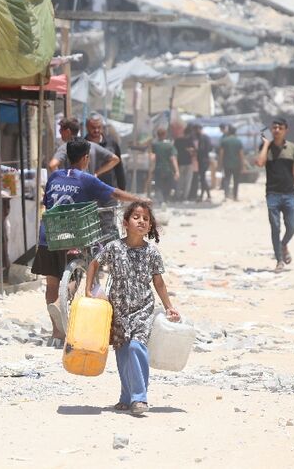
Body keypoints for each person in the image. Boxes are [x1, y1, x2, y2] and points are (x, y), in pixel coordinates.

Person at [32, 139, 150, 348]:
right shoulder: (87, 179)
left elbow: (48, 203)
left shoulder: (54, 177)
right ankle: (61, 303)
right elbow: (114, 193)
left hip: (48, 235)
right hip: (73, 235)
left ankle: (57, 333)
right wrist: (138, 200)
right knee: (81, 271)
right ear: (86, 158)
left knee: (51, 283)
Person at [85, 202, 179, 416]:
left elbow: (159, 283)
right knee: (123, 354)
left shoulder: (152, 253)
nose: (141, 221)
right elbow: (93, 264)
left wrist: (169, 306)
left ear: (150, 226)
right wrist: (88, 291)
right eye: (136, 217)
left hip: (143, 309)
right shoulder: (114, 248)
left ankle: (139, 397)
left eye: (145, 218)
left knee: (137, 348)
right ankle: (126, 396)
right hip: (118, 310)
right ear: (125, 223)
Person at [256, 117, 294, 273]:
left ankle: (283, 244)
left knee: (291, 227)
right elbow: (259, 163)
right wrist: (266, 144)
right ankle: (279, 260)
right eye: (274, 128)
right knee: (275, 227)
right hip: (272, 193)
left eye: (280, 128)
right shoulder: (266, 148)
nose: (276, 130)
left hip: (288, 194)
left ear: (286, 130)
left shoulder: (292, 148)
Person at [49, 117, 120, 179]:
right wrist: (96, 173)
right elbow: (115, 159)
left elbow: (52, 165)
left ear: (68, 131)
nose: (60, 133)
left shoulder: (65, 147)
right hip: (88, 188)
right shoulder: (92, 145)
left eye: (61, 130)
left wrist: (62, 181)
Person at [85, 113, 126, 190]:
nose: (96, 130)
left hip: (109, 190)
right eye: (93, 127)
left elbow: (119, 167)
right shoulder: (82, 144)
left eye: (99, 127)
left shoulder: (112, 144)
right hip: (89, 190)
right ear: (87, 127)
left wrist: (122, 188)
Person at [147, 128, 179, 202]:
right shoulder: (170, 146)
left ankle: (161, 201)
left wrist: (150, 169)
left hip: (158, 169)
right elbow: (173, 158)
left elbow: (152, 158)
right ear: (165, 135)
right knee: (167, 186)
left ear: (157, 135)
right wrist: (177, 171)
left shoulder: (155, 145)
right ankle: (165, 200)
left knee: (158, 186)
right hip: (168, 170)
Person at [218, 125, 245, 201]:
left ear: (229, 131)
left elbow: (221, 154)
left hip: (226, 164)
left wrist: (219, 164)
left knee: (227, 179)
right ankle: (235, 196)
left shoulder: (224, 141)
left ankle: (226, 196)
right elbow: (241, 155)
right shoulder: (238, 141)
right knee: (236, 180)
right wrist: (243, 166)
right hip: (237, 164)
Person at [189, 125, 212, 202]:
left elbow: (201, 149)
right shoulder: (206, 137)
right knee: (202, 178)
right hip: (205, 160)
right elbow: (210, 148)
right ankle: (205, 195)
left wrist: (194, 151)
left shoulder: (202, 138)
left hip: (202, 160)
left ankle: (205, 195)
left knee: (202, 178)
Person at [173, 127, 195, 201]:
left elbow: (174, 151)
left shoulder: (177, 140)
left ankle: (177, 196)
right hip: (188, 163)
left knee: (179, 181)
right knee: (187, 181)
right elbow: (193, 151)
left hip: (179, 163)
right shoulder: (190, 141)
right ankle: (185, 197)